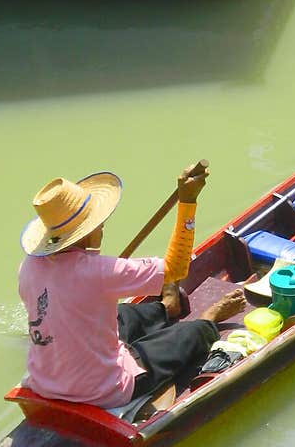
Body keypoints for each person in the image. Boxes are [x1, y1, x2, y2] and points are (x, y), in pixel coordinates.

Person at [18, 162, 246, 409]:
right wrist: (188, 202)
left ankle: (166, 308)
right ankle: (208, 319)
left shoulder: (28, 266)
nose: (103, 224)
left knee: (121, 313)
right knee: (190, 333)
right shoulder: (99, 271)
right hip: (102, 390)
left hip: (44, 381)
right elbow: (175, 269)